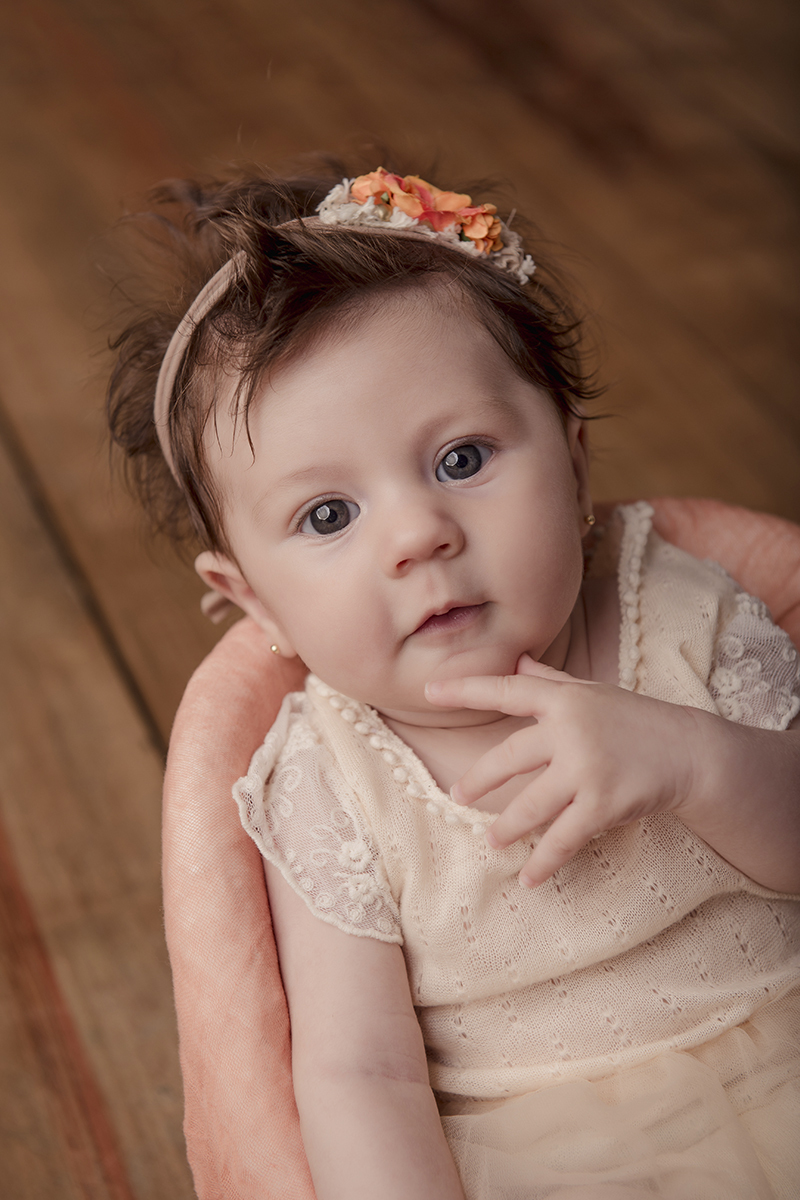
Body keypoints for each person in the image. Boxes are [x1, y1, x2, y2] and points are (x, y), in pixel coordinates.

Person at [107, 161, 800, 1199]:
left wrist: (693, 763)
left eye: (462, 458)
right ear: (252, 601)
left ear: (572, 469)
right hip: (543, 1154)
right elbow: (360, 1075)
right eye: (327, 516)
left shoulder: (681, 614)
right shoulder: (331, 779)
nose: (418, 534)